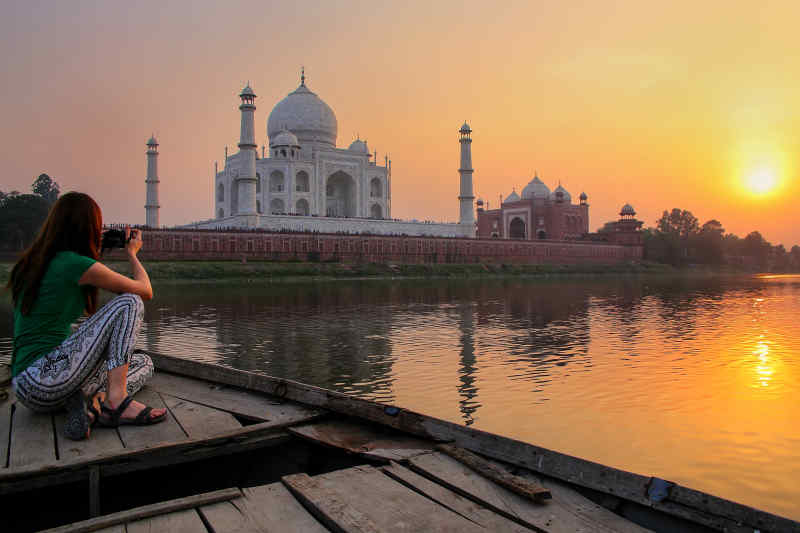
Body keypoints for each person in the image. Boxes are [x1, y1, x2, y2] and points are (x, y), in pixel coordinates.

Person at [7, 192, 166, 440]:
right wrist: (132, 253)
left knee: (143, 363)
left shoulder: (36, 262)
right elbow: (145, 291)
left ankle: (88, 404)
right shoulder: (73, 264)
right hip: (43, 377)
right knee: (129, 302)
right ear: (87, 227)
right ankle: (115, 401)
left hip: (31, 387)